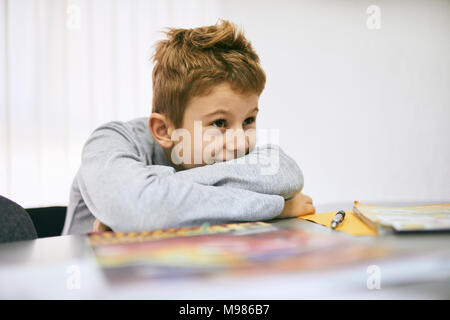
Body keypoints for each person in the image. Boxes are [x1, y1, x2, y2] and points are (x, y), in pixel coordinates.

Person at [62, 19, 315, 235]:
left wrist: (159, 197)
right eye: (219, 123)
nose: (241, 143)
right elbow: (142, 208)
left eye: (248, 120)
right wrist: (279, 208)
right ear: (164, 130)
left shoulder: (230, 148)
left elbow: (286, 173)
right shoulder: (109, 142)